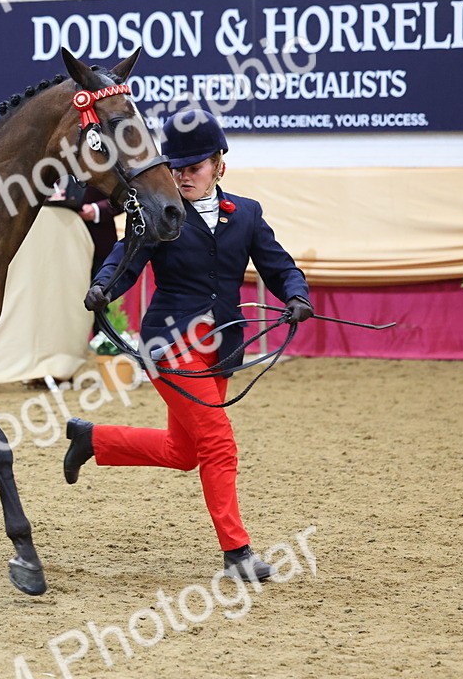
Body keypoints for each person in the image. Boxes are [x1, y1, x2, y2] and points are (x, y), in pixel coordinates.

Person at [62, 109, 313, 581]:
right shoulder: (158, 209)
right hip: (171, 345)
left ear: (219, 164)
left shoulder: (248, 214)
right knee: (219, 445)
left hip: (220, 348)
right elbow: (125, 260)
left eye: (194, 167)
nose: (182, 176)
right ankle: (237, 553)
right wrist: (102, 288)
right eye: (175, 167)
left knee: (185, 451)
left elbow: (280, 267)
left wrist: (297, 295)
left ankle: (93, 439)